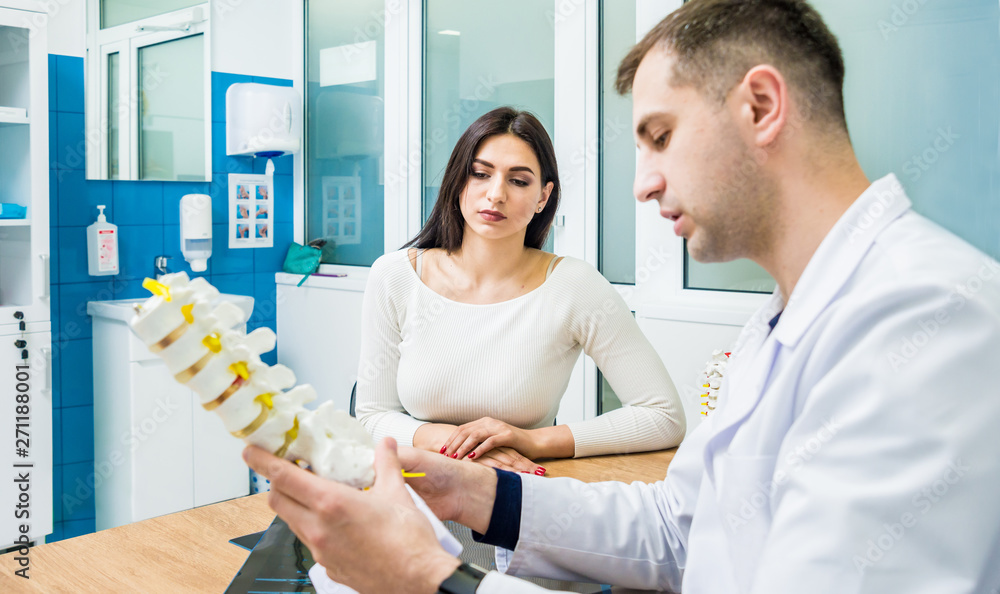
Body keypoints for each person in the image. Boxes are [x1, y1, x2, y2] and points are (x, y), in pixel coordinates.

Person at [244, 0, 1000, 592]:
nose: (641, 184)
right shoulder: (783, 320)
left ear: (761, 106)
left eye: (660, 136)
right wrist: (479, 491)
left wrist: (428, 578)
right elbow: (676, 529)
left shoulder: (926, 315)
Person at [354, 106, 687, 478]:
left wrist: (531, 440)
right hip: (413, 492)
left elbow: (663, 416)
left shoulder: (574, 285)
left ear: (544, 196)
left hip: (520, 494)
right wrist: (457, 443)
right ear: (458, 181)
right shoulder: (395, 276)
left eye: (518, 181)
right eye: (480, 174)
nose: (496, 194)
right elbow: (371, 415)